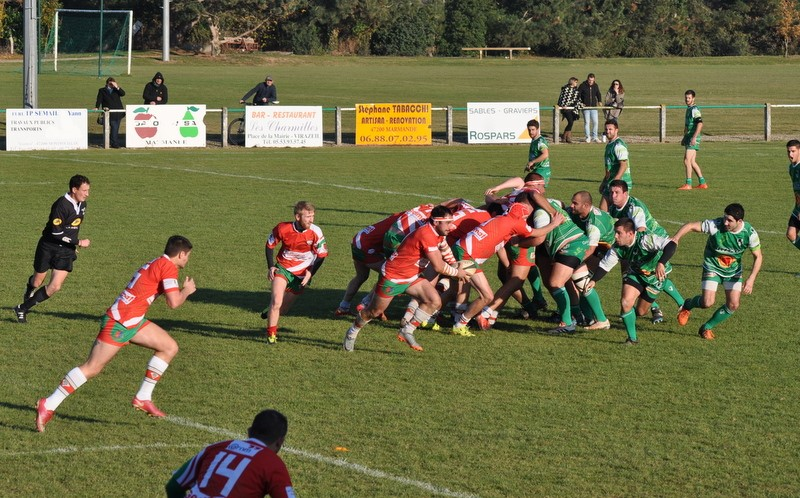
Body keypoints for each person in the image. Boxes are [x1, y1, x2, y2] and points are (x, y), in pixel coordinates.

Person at [35, 236, 196, 432]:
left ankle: (143, 397)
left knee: (169, 347)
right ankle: (48, 404)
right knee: (92, 367)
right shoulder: (168, 267)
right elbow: (174, 302)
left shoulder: (158, 262)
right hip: (120, 323)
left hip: (132, 320)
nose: (187, 259)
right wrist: (186, 291)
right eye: (188, 255)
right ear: (181, 254)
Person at [343, 205, 470, 352]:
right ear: (436, 222)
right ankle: (352, 332)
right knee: (373, 312)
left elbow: (444, 247)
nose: (451, 226)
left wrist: (454, 262)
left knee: (434, 301)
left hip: (411, 277)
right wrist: (457, 272)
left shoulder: (438, 232)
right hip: (393, 277)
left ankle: (407, 330)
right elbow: (438, 267)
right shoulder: (426, 235)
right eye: (447, 222)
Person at [451, 192, 562, 334]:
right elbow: (537, 234)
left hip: (461, 249)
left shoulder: (502, 218)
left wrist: (506, 264)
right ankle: (460, 323)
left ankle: (453, 319)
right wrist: (554, 223)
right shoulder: (517, 223)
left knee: (459, 286)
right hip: (467, 255)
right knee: (486, 295)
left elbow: (499, 244)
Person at [673, 203, 762, 340]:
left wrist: (751, 279)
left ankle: (706, 327)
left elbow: (758, 256)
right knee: (707, 302)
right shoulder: (715, 225)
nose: (725, 222)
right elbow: (690, 226)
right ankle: (687, 305)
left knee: (733, 305)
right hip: (712, 267)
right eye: (725, 218)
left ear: (739, 221)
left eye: (729, 220)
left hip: (733, 271)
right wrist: (676, 238)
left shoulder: (749, 233)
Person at [585, 218, 680, 345]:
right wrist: (594, 280)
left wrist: (661, 263)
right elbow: (605, 266)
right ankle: (632, 339)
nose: (615, 236)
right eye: (615, 232)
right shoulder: (617, 248)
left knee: (641, 311)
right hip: (636, 274)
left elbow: (671, 245)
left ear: (630, 234)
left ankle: (633, 314)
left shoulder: (645, 240)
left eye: (619, 233)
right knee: (625, 302)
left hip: (655, 278)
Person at [166, 409, 296, 498]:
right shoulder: (273, 463)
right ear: (280, 441)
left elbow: (173, 487)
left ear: (249, 431)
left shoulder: (217, 447)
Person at [14, 175, 91, 324]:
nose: (87, 194)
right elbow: (56, 233)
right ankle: (30, 288)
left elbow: (73, 227)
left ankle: (21, 308)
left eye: (88, 190)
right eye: (84, 190)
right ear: (74, 189)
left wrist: (71, 245)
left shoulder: (83, 204)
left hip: (65, 251)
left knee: (55, 286)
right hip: (49, 246)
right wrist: (78, 242)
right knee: (37, 282)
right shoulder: (61, 205)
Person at [607, 179, 685, 323]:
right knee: (636, 274)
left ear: (626, 194)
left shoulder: (634, 207)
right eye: (611, 192)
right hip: (634, 244)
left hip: (653, 243)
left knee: (649, 274)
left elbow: (641, 230)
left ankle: (673, 306)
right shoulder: (613, 208)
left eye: (617, 192)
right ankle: (662, 306)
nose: (613, 196)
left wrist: (633, 251)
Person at [263, 201, 328, 344]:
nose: (311, 220)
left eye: (313, 216)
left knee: (283, 310)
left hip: (303, 274)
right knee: (277, 302)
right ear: (298, 217)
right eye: (308, 217)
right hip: (283, 268)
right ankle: (271, 336)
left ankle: (270, 311)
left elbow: (321, 255)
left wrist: (310, 273)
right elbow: (269, 245)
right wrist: (271, 266)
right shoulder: (282, 228)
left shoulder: (316, 232)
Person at [566, 190, 615, 330]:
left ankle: (601, 319)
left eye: (575, 203)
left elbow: (590, 251)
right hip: (595, 246)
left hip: (605, 250)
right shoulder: (576, 213)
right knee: (576, 279)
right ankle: (587, 318)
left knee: (581, 279)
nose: (571, 205)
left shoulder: (594, 225)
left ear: (586, 205)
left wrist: (571, 264)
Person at [678, 89, 708, 190]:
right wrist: (684, 137)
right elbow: (687, 126)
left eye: (689, 98)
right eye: (686, 98)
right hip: (689, 137)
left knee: (687, 160)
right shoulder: (689, 109)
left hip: (693, 138)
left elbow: (700, 123)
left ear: (693, 98)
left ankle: (688, 184)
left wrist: (694, 137)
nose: (687, 99)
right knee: (692, 162)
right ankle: (702, 183)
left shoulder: (695, 110)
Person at [600, 120, 632, 211]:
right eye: (606, 129)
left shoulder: (619, 145)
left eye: (610, 129)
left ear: (616, 130)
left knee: (605, 209)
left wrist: (616, 180)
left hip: (621, 182)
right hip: (611, 181)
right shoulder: (610, 145)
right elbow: (609, 168)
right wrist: (604, 182)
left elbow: (623, 165)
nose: (608, 131)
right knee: (606, 210)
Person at [94, 77, 126, 148]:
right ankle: (114, 143)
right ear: (107, 83)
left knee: (115, 128)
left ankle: (113, 142)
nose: (112, 85)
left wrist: (117, 87)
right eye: (110, 83)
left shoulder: (116, 90)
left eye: (113, 83)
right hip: (109, 112)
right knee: (114, 127)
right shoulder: (102, 90)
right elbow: (99, 99)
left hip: (118, 112)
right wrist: (97, 107)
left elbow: (123, 94)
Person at [577, 73, 602, 143]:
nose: (591, 82)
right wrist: (581, 103)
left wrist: (599, 101)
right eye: (590, 80)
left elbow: (598, 94)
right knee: (587, 122)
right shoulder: (582, 85)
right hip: (586, 108)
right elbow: (578, 95)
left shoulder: (595, 85)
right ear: (587, 79)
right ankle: (588, 137)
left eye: (592, 80)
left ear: (594, 80)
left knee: (595, 122)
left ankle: (595, 137)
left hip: (593, 107)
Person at [525, 119, 550, 187]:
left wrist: (532, 162)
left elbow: (545, 154)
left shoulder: (540, 142)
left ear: (538, 129)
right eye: (529, 130)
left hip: (542, 170)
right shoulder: (534, 140)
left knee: (534, 190)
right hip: (537, 169)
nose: (531, 132)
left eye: (533, 130)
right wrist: (531, 165)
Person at [785, 140, 800, 253]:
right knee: (791, 234)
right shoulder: (792, 167)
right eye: (788, 151)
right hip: (797, 207)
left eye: (793, 151)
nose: (790, 154)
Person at [557, 77, 581, 143]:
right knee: (570, 122)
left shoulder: (576, 90)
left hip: (572, 109)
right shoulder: (565, 89)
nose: (576, 83)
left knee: (571, 122)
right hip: (566, 109)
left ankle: (567, 137)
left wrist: (579, 104)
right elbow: (562, 98)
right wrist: (563, 104)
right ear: (572, 82)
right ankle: (564, 136)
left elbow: (577, 99)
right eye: (576, 82)